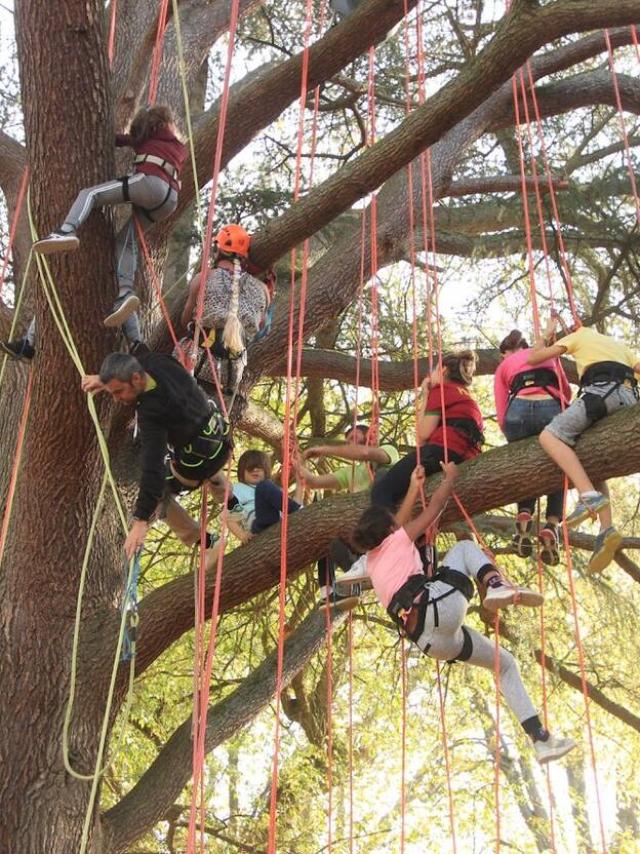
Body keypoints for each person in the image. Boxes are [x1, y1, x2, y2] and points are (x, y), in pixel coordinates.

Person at [353, 464, 576, 765]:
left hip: (433, 643)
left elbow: (398, 522)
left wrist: (412, 486)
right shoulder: (397, 539)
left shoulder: (371, 562)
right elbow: (433, 509)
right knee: (463, 548)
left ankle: (540, 739)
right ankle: (494, 584)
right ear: (391, 529)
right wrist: (449, 479)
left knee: (504, 663)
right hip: (437, 608)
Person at [2, 106, 186, 360]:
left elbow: (120, 140)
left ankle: (66, 230)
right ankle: (125, 296)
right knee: (126, 243)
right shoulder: (177, 144)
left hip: (151, 184)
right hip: (168, 201)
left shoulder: (146, 137)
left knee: (90, 194)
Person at [81, 351, 232, 560]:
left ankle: (206, 543)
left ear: (135, 379)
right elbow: (138, 351)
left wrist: (141, 520)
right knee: (200, 459)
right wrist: (102, 379)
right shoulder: (157, 362)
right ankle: (234, 504)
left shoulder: (151, 412)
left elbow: (153, 467)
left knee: (160, 492)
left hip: (199, 462)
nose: (116, 399)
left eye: (118, 391)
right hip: (220, 439)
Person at [529, 317, 640, 573]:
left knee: (550, 436)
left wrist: (546, 334)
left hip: (602, 393)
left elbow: (534, 358)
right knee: (590, 457)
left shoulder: (579, 335)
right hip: (628, 397)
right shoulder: (616, 344)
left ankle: (589, 497)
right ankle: (606, 529)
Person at [295, 422, 400, 611]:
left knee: (383, 474)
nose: (351, 442)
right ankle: (332, 592)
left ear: (371, 437)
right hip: (362, 534)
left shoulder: (388, 450)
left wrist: (325, 449)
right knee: (328, 543)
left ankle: (374, 558)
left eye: (355, 437)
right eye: (348, 440)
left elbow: (367, 454)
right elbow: (314, 482)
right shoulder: (351, 472)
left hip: (384, 522)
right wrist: (298, 464)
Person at [494, 329, 571, 565]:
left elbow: (500, 406)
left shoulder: (503, 367)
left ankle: (525, 512)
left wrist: (511, 432)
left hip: (518, 410)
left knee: (526, 465)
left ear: (507, 352)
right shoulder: (547, 354)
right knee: (560, 463)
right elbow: (565, 390)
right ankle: (552, 524)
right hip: (550, 405)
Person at [371, 350, 483, 510]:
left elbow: (422, 435)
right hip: (465, 456)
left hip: (441, 452)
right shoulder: (467, 397)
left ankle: (382, 530)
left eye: (434, 371)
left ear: (443, 370)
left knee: (381, 491)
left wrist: (426, 393)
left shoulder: (442, 391)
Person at [179, 224, 273, 397]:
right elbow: (261, 330)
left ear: (217, 249)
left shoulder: (204, 277)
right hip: (230, 373)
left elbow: (185, 320)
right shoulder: (262, 289)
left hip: (195, 361)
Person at [225, 449, 302, 544]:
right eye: (250, 468)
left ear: (265, 471)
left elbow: (294, 506)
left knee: (272, 490)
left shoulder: (272, 490)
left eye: (259, 467)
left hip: (279, 523)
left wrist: (300, 483)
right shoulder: (238, 488)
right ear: (242, 472)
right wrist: (243, 536)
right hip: (259, 527)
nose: (255, 470)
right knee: (265, 486)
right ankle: (296, 511)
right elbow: (228, 517)